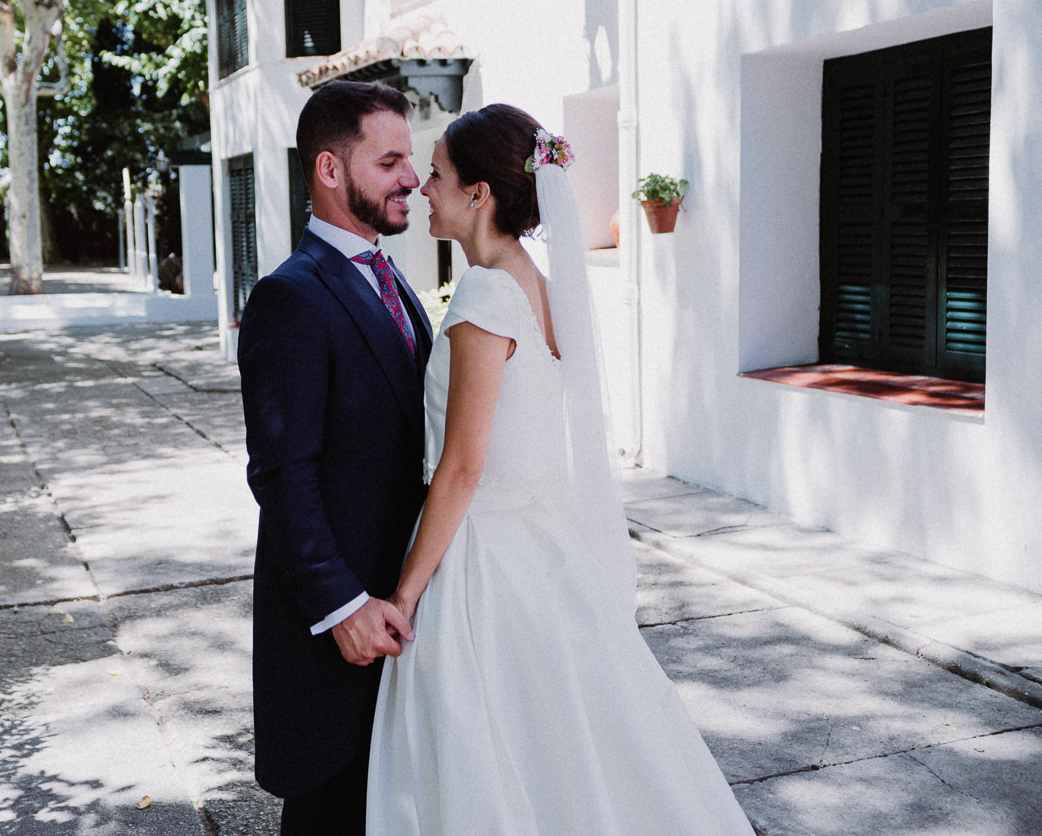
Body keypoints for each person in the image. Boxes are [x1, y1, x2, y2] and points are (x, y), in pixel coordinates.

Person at [366, 104, 756, 835]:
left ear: (479, 194)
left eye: (440, 176)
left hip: (485, 560)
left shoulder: (484, 295)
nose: (424, 188)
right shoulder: (533, 282)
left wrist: (406, 590)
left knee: (488, 753)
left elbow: (462, 467)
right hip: (543, 545)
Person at [238, 80, 435, 835]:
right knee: (329, 811)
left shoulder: (393, 282)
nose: (410, 177)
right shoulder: (289, 298)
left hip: (403, 610)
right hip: (339, 637)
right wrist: (342, 606)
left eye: (409, 160)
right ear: (329, 168)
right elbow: (282, 475)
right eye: (389, 160)